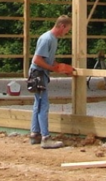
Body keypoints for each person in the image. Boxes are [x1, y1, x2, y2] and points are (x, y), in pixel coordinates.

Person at [28, 15, 74, 149]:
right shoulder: (47, 38)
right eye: (67, 30)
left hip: (39, 73)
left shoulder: (52, 39)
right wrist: (54, 68)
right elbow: (37, 60)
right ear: (62, 26)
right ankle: (45, 138)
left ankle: (35, 134)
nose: (67, 32)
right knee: (43, 105)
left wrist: (60, 67)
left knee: (38, 104)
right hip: (38, 74)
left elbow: (47, 60)